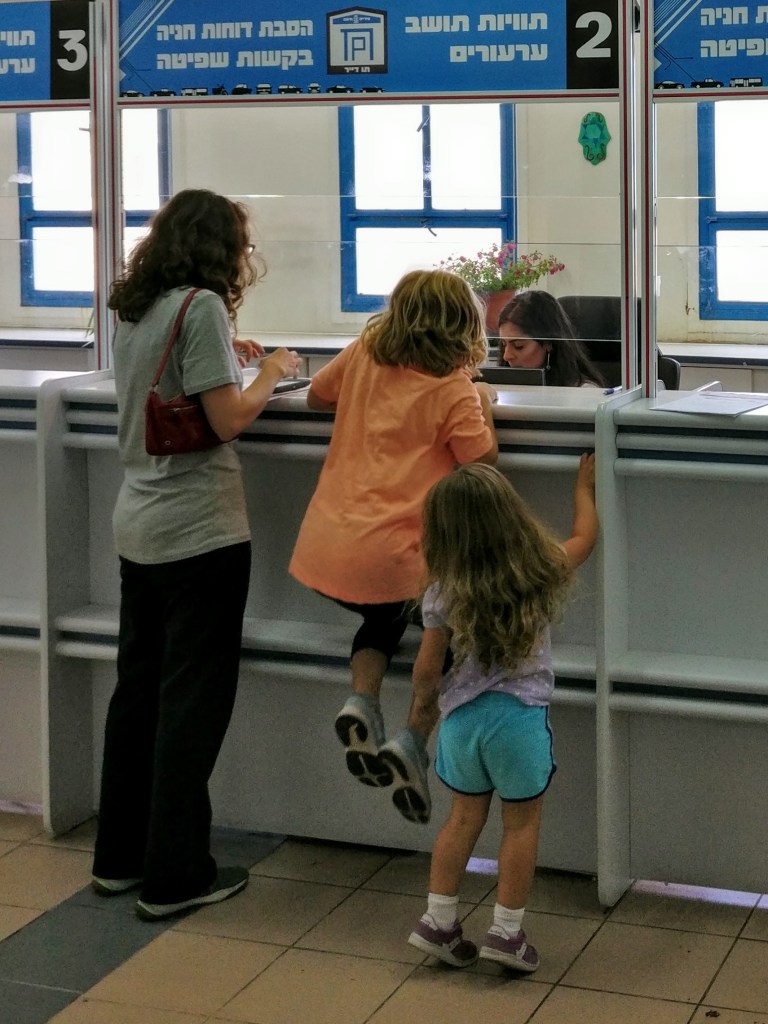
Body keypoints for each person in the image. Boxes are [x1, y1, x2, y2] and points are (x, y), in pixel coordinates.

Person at [91, 188, 302, 921]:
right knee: (191, 705)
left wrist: (228, 359)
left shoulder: (138, 306)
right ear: (222, 249)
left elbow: (172, 380)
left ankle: (119, 858)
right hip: (199, 532)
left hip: (139, 526)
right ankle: (176, 875)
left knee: (138, 696)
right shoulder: (202, 306)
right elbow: (228, 419)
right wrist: (272, 371)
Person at [288, 268, 499, 795]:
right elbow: (481, 459)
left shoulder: (365, 353)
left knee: (382, 618)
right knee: (446, 631)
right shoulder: (453, 387)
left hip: (330, 550)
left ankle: (362, 701)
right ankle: (412, 741)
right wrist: (483, 401)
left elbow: (316, 396)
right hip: (399, 557)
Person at [405, 456, 597, 972]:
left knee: (461, 819)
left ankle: (438, 921)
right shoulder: (540, 569)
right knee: (520, 825)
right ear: (513, 515)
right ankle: (507, 934)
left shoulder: (442, 591)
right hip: (519, 722)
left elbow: (426, 672)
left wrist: (419, 718)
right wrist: (583, 486)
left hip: (462, 723)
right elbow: (585, 537)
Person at [498, 290, 605, 388]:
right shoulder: (504, 388)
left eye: (518, 346)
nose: (506, 356)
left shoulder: (583, 391)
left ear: (548, 343)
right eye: (503, 344)